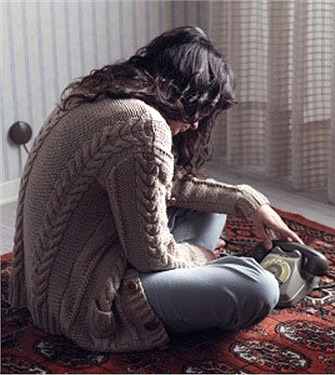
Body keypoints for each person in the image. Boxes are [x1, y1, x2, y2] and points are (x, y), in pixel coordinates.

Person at [9, 26, 304, 353]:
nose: (194, 125)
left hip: (53, 279)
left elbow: (164, 184)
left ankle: (197, 271)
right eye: (198, 111)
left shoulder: (95, 94)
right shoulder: (145, 127)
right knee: (260, 287)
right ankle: (206, 271)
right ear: (181, 92)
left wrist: (247, 201)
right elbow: (150, 256)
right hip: (85, 301)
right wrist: (198, 257)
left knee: (215, 207)